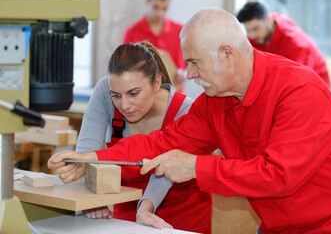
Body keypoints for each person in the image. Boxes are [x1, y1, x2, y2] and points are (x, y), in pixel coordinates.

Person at [48, 8, 331, 233]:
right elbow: (165, 142)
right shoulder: (214, 102)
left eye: (195, 63)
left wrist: (195, 167)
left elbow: (278, 175)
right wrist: (93, 158)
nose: (190, 75)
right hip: (279, 225)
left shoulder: (299, 91)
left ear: (227, 54)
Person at [48, 41, 212, 234]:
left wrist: (145, 208)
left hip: (184, 214)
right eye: (116, 95)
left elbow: (165, 169)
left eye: (133, 93)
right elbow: (86, 153)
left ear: (157, 83)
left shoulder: (186, 110)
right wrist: (89, 195)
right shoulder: (104, 91)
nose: (124, 105)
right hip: (127, 205)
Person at [237, 0, 331, 88]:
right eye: (248, 31)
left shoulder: (295, 45)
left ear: (268, 19)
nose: (252, 35)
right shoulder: (260, 35)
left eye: (256, 29)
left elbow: (298, 83)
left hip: (313, 90)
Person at [123, 0, 186, 91]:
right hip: (145, 97)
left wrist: (184, 74)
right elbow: (125, 68)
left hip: (175, 96)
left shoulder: (181, 31)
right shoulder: (132, 33)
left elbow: (191, 64)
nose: (160, 13)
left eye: (164, 8)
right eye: (156, 7)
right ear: (147, 2)